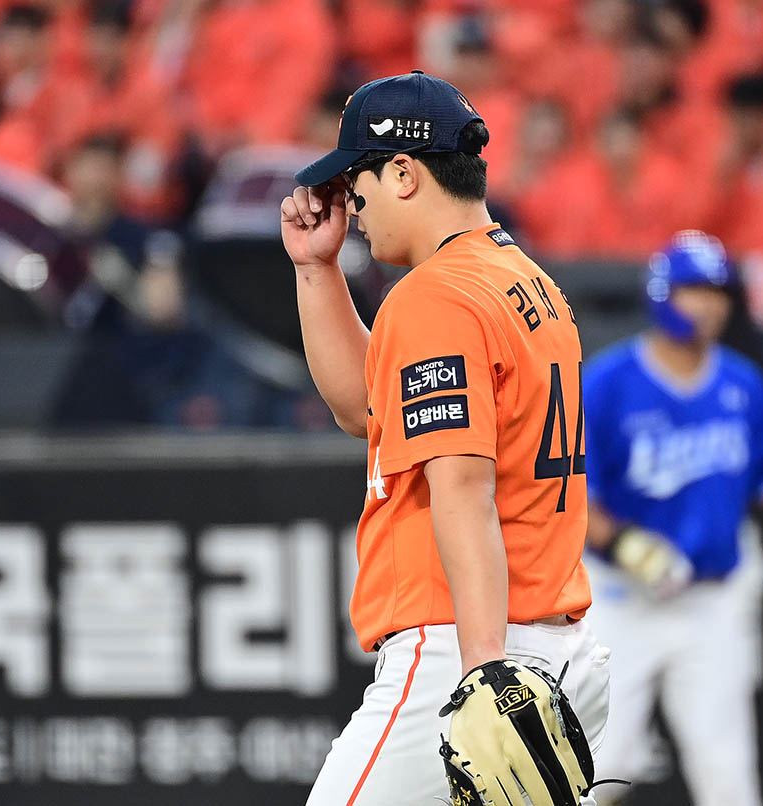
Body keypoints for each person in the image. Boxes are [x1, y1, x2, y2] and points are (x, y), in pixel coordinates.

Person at [280, 71, 610, 806]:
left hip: (467, 644)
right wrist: (316, 272)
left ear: (403, 172)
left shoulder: (434, 295)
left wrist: (483, 667)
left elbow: (464, 488)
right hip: (557, 644)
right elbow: (366, 412)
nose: (352, 209)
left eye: (356, 186)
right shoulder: (523, 279)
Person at [581, 230, 763, 806]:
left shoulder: (741, 382)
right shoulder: (607, 382)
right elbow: (571, 494)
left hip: (712, 600)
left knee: (726, 774)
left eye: (718, 292)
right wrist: (630, 546)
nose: (707, 305)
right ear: (661, 293)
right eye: (692, 290)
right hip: (623, 600)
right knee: (600, 766)